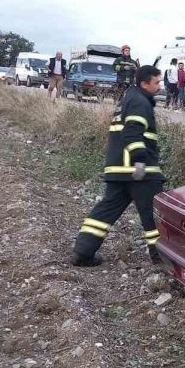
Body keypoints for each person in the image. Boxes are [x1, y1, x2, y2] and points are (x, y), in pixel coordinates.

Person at [71, 65, 165, 267]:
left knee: (104, 212)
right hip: (138, 171)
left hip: (118, 170)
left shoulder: (128, 100)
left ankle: (83, 252)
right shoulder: (140, 102)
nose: (160, 87)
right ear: (144, 83)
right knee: (155, 216)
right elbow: (132, 132)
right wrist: (140, 160)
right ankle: (161, 259)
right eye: (157, 82)